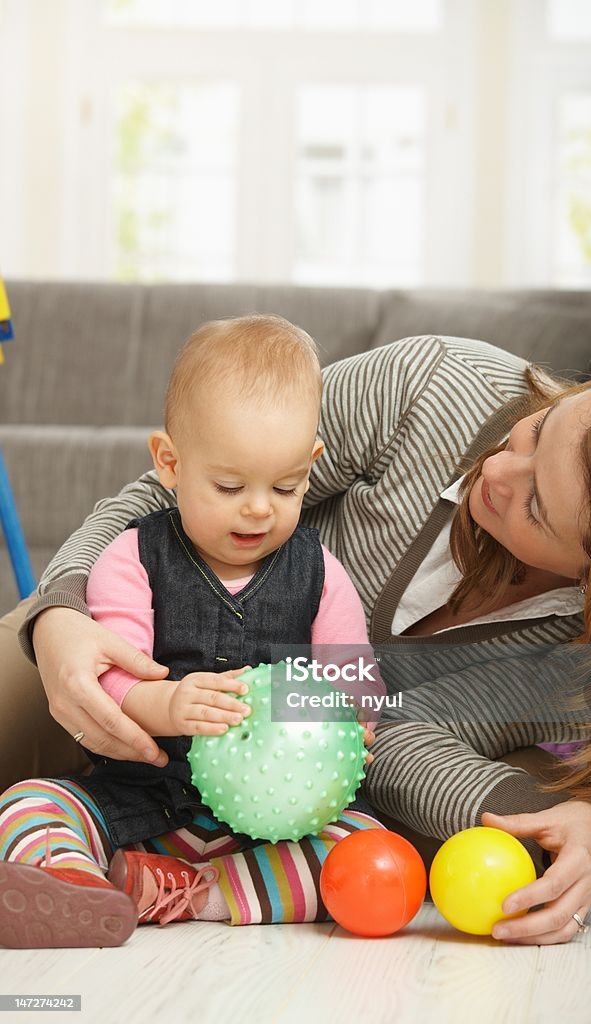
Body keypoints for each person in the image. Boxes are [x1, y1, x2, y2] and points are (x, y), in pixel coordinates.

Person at [1, 334, 591, 946]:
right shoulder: (429, 387)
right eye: (536, 430)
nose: (498, 472)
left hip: (281, 792)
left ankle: (173, 888)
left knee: (371, 846)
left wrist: (568, 812)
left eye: (535, 505)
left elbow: (395, 731)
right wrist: (59, 617)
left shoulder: (586, 653)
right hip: (127, 648)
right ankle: (65, 865)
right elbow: (155, 501)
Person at [0, 315, 383, 949]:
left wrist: (344, 729)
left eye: (286, 487)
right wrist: (170, 703)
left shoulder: (323, 575)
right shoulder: (132, 557)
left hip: (272, 823)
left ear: (311, 467)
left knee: (361, 850)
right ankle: (77, 885)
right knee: (27, 803)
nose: (258, 507)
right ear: (170, 463)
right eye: (229, 486)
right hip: (145, 800)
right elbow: (113, 679)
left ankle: (191, 893)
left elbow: (357, 691)